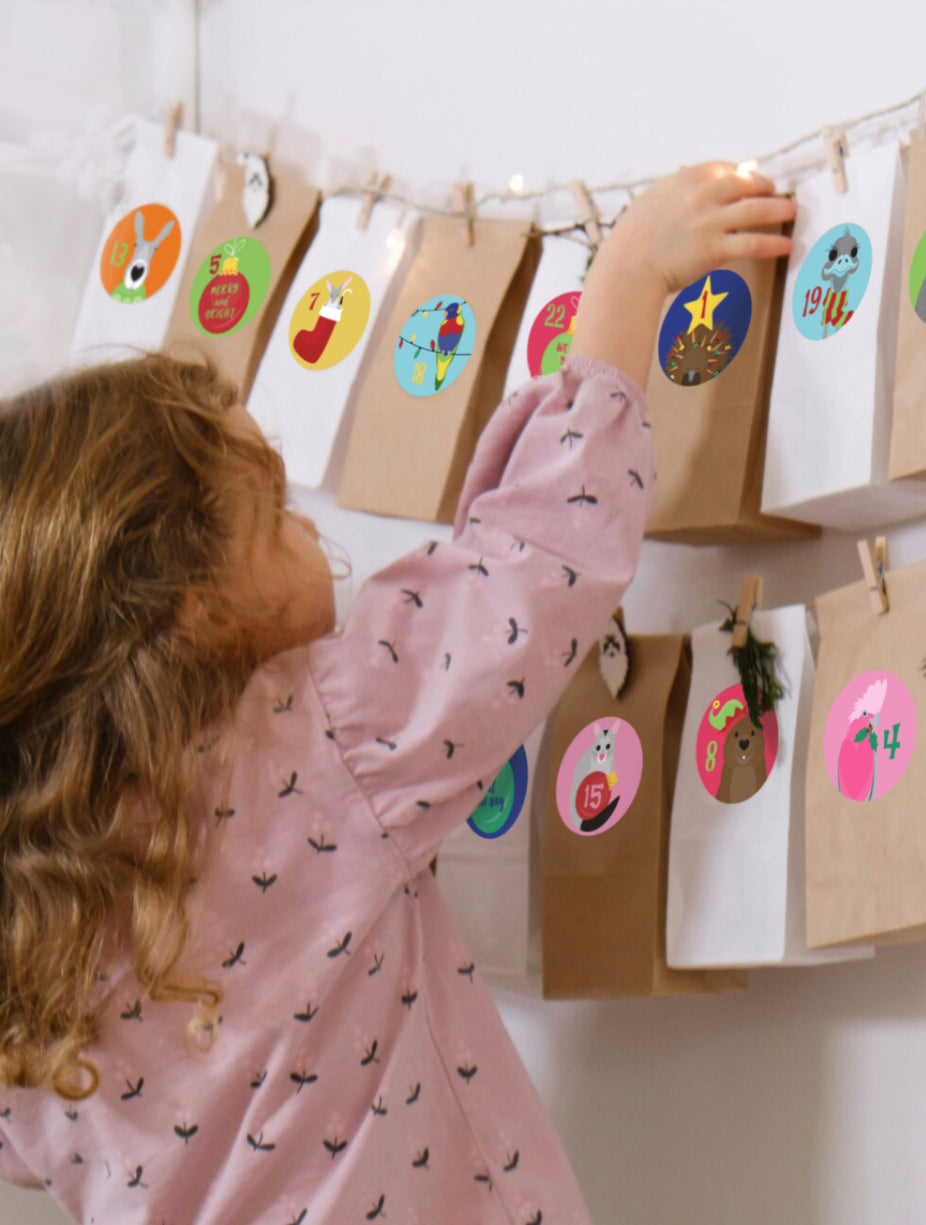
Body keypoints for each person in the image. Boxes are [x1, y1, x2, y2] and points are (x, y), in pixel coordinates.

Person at [0, 160, 795, 1224]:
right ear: (194, 607)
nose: (315, 532)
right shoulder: (318, 737)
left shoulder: (24, 916)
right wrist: (626, 291)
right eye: (274, 511)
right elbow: (530, 564)